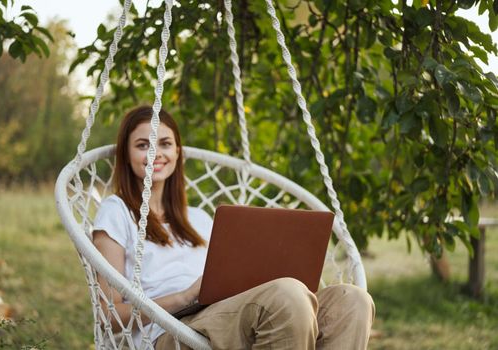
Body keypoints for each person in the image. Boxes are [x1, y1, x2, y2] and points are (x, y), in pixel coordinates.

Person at [93, 105, 375, 349]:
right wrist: (185, 296)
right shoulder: (116, 212)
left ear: (177, 152)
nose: (155, 152)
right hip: (172, 331)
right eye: (143, 145)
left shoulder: (200, 218)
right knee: (286, 295)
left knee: (352, 300)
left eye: (164, 143)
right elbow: (109, 315)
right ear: (126, 155)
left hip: (225, 313)